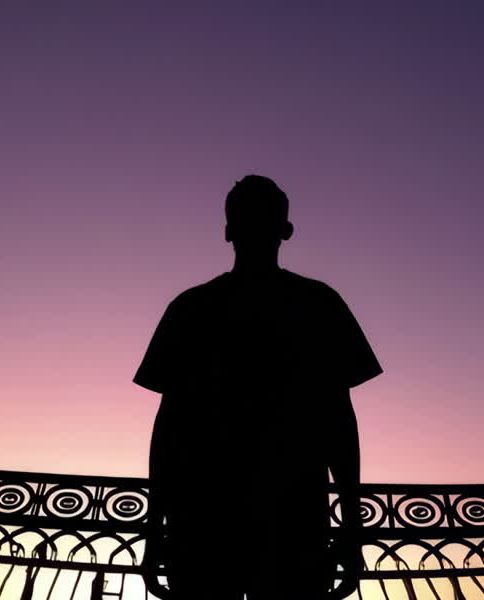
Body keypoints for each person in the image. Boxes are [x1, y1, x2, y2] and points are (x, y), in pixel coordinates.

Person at [136, 175, 382, 599]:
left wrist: (154, 527)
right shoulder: (319, 304)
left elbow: (168, 430)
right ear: (286, 231)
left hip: (205, 522)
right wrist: (351, 526)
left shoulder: (190, 308)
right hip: (290, 522)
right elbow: (340, 426)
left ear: (227, 231)